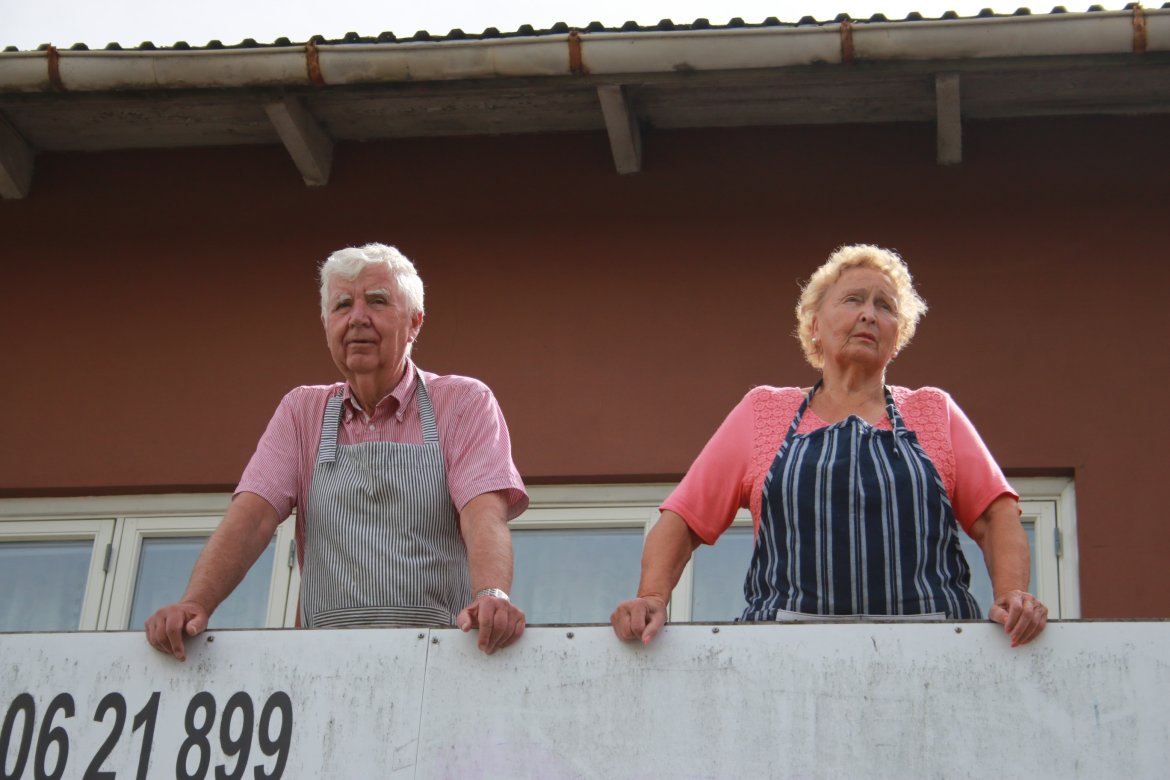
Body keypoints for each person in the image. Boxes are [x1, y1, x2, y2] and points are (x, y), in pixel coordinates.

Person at [611, 244, 1048, 647]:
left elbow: (996, 515)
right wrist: (652, 597)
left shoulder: (933, 411)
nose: (869, 315)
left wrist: (1012, 594)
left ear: (898, 336)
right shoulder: (764, 411)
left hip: (935, 654)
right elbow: (684, 519)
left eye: (885, 306)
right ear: (815, 326)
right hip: (783, 658)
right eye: (853, 300)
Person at [146, 243, 528, 659]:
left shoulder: (462, 402)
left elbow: (482, 513)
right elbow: (252, 518)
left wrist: (491, 594)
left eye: (377, 301)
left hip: (436, 659)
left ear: (414, 322)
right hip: (323, 663)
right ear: (327, 324)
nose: (357, 317)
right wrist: (195, 603)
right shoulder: (301, 411)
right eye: (343, 305)